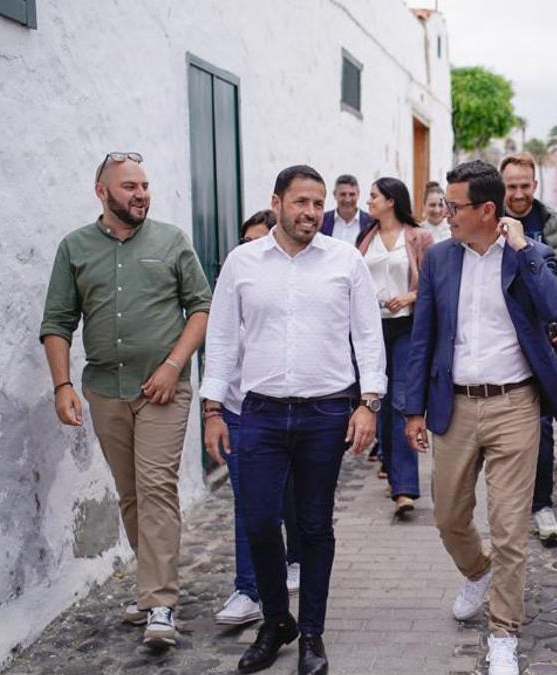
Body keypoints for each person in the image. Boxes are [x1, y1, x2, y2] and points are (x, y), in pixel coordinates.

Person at [202, 165, 386, 675]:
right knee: (259, 521)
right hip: (257, 411)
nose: (310, 212)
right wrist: (213, 408)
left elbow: (368, 337)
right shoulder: (243, 262)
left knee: (313, 526)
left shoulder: (344, 260)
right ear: (277, 202)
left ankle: (312, 634)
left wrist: (368, 404)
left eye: (317, 203)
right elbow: (220, 338)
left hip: (325, 411)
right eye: (300, 201)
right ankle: (276, 620)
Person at [403, 160, 557, 675]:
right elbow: (424, 337)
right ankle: (477, 573)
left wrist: (524, 249)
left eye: (454, 206)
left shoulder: (529, 254)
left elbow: (556, 308)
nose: (445, 214)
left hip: (514, 405)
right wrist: (412, 407)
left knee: (508, 527)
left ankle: (504, 631)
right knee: (449, 517)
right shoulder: (438, 259)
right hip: (453, 404)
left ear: (485, 209)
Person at [40, 152, 212, 648]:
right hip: (104, 390)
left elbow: (200, 307)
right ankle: (150, 586)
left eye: (145, 185)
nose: (141, 194)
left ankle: (161, 602)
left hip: (162, 388)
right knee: (132, 492)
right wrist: (62, 385)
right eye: (129, 187)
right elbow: (57, 323)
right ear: (102, 192)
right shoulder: (74, 248)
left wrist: (172, 365)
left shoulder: (171, 240)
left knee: (156, 487)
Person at [211, 210, 305, 627]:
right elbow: (217, 346)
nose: (253, 249)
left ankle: (294, 558)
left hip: (289, 410)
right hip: (240, 412)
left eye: (259, 241)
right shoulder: (234, 283)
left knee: (291, 498)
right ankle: (248, 590)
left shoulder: (288, 294)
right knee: (249, 503)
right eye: (246, 241)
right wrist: (212, 408)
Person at [499, 153, 557, 547]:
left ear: (535, 185)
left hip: (544, 340)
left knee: (542, 426)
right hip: (501, 342)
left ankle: (542, 504)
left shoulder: (553, 224)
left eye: (524, 185)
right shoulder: (490, 221)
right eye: (511, 186)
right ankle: (510, 506)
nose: (518, 193)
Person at [360, 177, 434, 516]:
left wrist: (409, 296)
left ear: (391, 200)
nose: (369, 201)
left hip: (407, 326)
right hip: (372, 329)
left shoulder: (419, 237)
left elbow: (435, 285)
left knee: (402, 400)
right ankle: (392, 470)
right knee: (379, 400)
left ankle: (405, 488)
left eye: (374, 196)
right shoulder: (367, 239)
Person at [321, 174, 372, 243]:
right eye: (343, 194)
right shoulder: (322, 220)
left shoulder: (371, 222)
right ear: (335, 194)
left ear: (358, 194)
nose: (347, 199)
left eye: (352, 194)